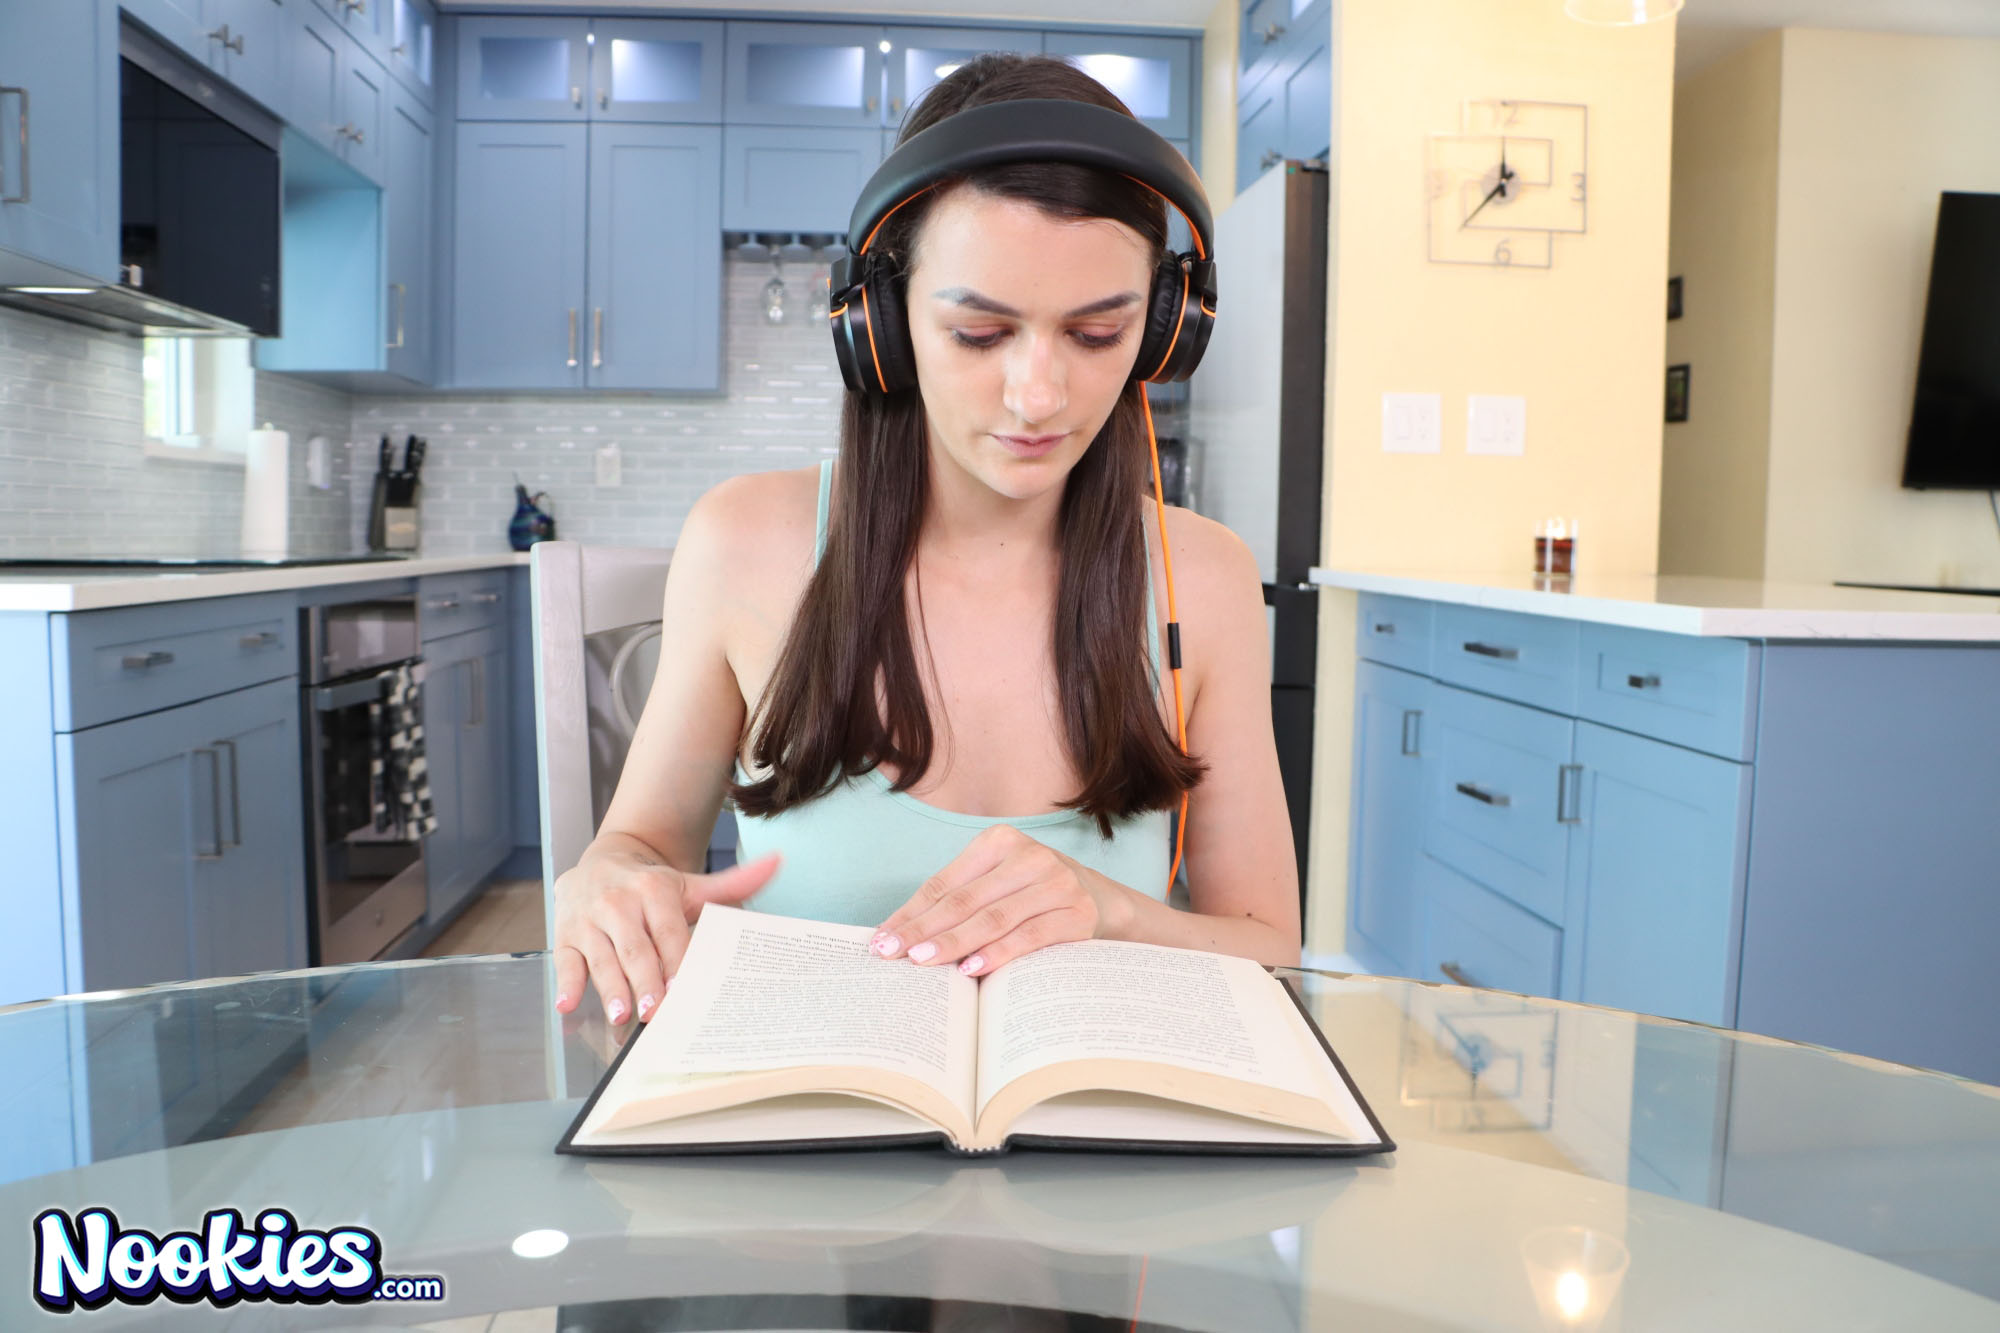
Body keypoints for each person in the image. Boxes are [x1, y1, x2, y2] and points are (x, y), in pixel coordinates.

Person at [552, 53, 1300, 1027]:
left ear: (1163, 330)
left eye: (1096, 334)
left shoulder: (1204, 579)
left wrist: (1113, 911)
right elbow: (640, 848)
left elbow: (1267, 947)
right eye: (980, 333)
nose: (1039, 396)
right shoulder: (742, 542)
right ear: (883, 322)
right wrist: (608, 876)